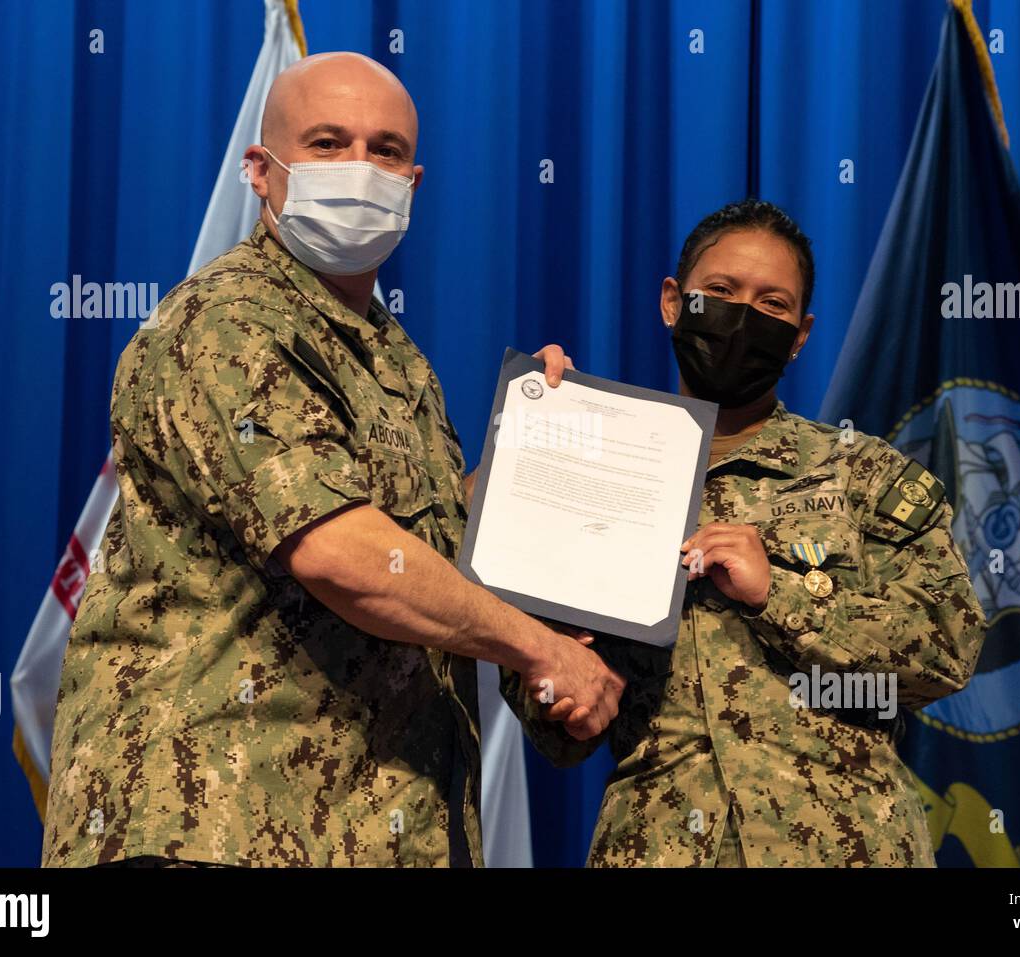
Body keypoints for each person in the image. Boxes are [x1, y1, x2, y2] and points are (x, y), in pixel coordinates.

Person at [42, 52, 624, 869]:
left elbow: (424, 550)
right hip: (215, 826)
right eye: (326, 142)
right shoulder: (226, 320)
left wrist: (529, 458)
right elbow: (339, 552)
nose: (359, 167)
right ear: (261, 170)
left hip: (363, 827)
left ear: (413, 182)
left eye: (384, 150)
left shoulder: (396, 361)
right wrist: (539, 648)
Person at [506, 199, 986, 866]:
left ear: (800, 335)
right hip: (658, 844)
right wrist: (534, 455)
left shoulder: (863, 475)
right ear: (673, 301)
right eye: (721, 293)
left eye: (772, 306)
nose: (742, 319)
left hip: (848, 847)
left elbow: (950, 645)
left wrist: (781, 597)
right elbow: (556, 725)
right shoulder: (596, 458)